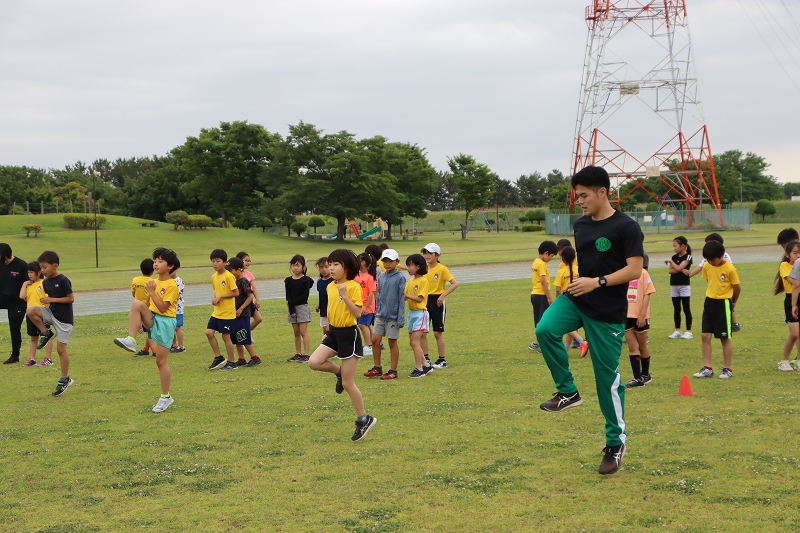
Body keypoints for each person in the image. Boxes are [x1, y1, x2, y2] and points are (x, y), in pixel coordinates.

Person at [535, 165, 643, 476]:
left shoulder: (627, 227)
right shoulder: (581, 226)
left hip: (607, 313)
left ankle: (615, 443)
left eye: (583, 195)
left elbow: (634, 269)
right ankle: (567, 391)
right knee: (545, 329)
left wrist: (598, 282)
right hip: (579, 299)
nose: (579, 201)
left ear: (603, 192)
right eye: (577, 196)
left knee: (606, 379)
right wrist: (583, 283)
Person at [307, 248, 376, 441]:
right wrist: (327, 332)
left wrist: (345, 295)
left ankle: (364, 419)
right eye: (329, 264)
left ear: (346, 266)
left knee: (348, 383)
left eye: (335, 264)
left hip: (349, 335)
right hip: (334, 333)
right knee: (314, 362)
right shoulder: (330, 286)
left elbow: (357, 314)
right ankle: (338, 371)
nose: (331, 268)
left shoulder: (353, 286)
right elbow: (331, 310)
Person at [113, 248, 180, 412]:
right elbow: (148, 304)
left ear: (170, 266)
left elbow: (163, 307)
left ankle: (166, 397)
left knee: (160, 361)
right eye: (155, 260)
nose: (156, 263)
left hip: (165, 321)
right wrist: (141, 322)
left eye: (160, 261)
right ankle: (131, 340)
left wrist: (151, 291)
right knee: (137, 304)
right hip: (154, 318)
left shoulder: (172, 285)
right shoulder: (154, 282)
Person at [27, 251, 75, 396]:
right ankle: (46, 332)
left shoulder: (63, 280)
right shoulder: (46, 282)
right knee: (30, 310)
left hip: (64, 320)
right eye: (41, 268)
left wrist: (52, 300)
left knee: (61, 350)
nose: (42, 271)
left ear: (55, 266)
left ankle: (64, 379)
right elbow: (48, 299)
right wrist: (47, 305)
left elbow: (71, 299)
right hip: (52, 314)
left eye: (44, 267)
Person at [693, 240, 740, 379]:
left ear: (721, 256)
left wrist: (733, 302)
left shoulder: (730, 269)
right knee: (705, 336)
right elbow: (710, 281)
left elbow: (737, 288)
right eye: (707, 259)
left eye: (712, 259)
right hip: (709, 303)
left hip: (724, 303)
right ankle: (707, 368)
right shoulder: (707, 266)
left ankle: (727, 369)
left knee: (724, 338)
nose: (710, 262)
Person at [364, 249, 406, 380]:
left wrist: (400, 318)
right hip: (381, 315)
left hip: (393, 316)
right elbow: (379, 296)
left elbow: (401, 298)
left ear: (397, 262)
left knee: (392, 343)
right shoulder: (381, 277)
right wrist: (377, 313)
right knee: (375, 340)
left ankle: (393, 371)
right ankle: (377, 368)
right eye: (385, 261)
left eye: (390, 261)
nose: (387, 264)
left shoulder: (400, 278)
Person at [686, 233, 739, 332]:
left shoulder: (724, 256)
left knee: (730, 307)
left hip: (725, 288)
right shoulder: (709, 257)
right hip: (714, 290)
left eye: (709, 243)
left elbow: (730, 271)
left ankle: (734, 323)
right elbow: (701, 266)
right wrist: (690, 275)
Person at [420, 243, 458, 369]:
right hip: (424, 301)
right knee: (422, 332)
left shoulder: (442, 269)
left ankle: (442, 360)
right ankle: (425, 358)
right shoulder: (423, 268)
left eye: (430, 253)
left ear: (437, 255)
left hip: (437, 301)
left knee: (437, 332)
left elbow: (454, 283)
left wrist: (443, 296)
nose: (427, 256)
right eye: (425, 253)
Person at [624, 253, 656, 387]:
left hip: (640, 315)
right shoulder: (623, 273)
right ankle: (637, 378)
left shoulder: (643, 273)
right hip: (626, 315)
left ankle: (646, 375)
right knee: (632, 347)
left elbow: (647, 293)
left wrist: (643, 314)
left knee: (642, 345)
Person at [206, 249, 240, 371]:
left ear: (225, 262)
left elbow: (235, 293)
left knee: (226, 337)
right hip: (217, 312)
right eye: (213, 261)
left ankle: (232, 362)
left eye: (218, 261)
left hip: (227, 313)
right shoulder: (213, 277)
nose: (215, 264)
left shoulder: (229, 276)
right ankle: (218, 357)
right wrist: (215, 297)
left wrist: (221, 297)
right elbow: (217, 291)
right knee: (209, 333)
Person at [553, 246, 588, 357]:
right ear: (574, 258)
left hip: (567, 298)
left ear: (562, 259)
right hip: (581, 296)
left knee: (566, 323)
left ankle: (581, 342)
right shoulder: (580, 269)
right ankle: (566, 350)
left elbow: (558, 289)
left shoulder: (561, 271)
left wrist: (557, 301)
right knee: (576, 323)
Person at [19, 261, 54, 367]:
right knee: (33, 337)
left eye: (31, 272)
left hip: (41, 313)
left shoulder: (43, 283)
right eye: (28, 272)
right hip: (30, 314)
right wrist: (25, 284)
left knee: (47, 335)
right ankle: (32, 358)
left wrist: (47, 312)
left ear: (39, 272)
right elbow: (21, 296)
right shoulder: (29, 285)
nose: (29, 275)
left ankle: (48, 358)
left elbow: (48, 299)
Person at [228, 257, 260, 367]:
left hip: (243, 314)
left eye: (231, 270)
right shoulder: (233, 281)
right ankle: (241, 359)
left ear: (239, 270)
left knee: (243, 336)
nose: (229, 272)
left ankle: (254, 357)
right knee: (236, 338)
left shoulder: (243, 282)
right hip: (234, 314)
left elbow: (250, 297)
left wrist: (241, 308)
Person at [0, 243, 28, 365]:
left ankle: (15, 355)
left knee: (14, 327)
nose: (3, 262)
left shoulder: (21, 265)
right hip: (2, 298)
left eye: (3, 259)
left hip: (17, 302)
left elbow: (29, 281)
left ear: (7, 255)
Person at [528, 240, 558, 353]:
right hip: (541, 294)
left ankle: (537, 342)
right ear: (546, 253)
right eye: (551, 256)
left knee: (540, 318)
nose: (551, 259)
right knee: (542, 320)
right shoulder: (541, 264)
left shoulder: (535, 262)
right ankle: (536, 343)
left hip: (535, 294)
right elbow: (543, 281)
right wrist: (549, 297)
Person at [405, 254, 431, 378]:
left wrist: (405, 295)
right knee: (412, 342)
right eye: (407, 265)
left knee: (415, 342)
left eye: (410, 265)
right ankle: (426, 365)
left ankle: (419, 368)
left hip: (420, 314)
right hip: (411, 314)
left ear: (418, 266)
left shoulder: (424, 281)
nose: (408, 268)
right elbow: (404, 296)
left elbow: (420, 299)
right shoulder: (410, 281)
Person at [775, 241, 800, 371]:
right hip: (791, 299)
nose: (798, 256)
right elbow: (793, 281)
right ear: (787, 255)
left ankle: (799, 361)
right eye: (795, 253)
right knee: (794, 333)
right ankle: (784, 361)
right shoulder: (784, 266)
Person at [285, 254, 314, 362]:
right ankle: (298, 353)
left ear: (303, 267)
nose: (295, 268)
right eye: (293, 265)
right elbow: (288, 296)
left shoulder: (306, 280)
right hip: (292, 308)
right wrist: (291, 309)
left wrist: (290, 302)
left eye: (298, 265)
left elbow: (304, 296)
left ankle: (306, 354)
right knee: (296, 332)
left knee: (303, 332)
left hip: (302, 307)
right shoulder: (288, 280)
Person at [665, 236, 693, 339]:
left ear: (683, 246)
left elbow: (677, 267)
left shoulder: (688, 257)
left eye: (675, 246)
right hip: (674, 285)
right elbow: (670, 271)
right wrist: (681, 269)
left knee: (686, 308)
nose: (674, 248)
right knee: (676, 309)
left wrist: (673, 264)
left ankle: (688, 331)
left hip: (684, 286)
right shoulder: (674, 257)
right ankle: (677, 330)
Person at [130, 258, 157, 357]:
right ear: (152, 271)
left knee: (147, 330)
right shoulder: (152, 281)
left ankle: (146, 349)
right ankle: (154, 350)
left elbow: (133, 293)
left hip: (137, 307)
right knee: (149, 330)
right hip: (148, 307)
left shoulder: (135, 280)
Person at [355, 253, 377, 357]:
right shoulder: (356, 275)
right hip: (358, 305)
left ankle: (368, 346)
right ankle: (373, 344)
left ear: (363, 262)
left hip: (368, 306)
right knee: (365, 325)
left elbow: (371, 293)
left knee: (362, 325)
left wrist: (367, 307)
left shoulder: (370, 277)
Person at [236, 252, 263, 331]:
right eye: (246, 260)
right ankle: (244, 336)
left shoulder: (249, 274)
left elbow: (253, 287)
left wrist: (257, 299)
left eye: (249, 261)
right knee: (241, 321)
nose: (248, 262)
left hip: (249, 300)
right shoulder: (236, 274)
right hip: (241, 302)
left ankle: (248, 332)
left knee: (258, 319)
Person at [315, 257, 334, 337]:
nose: (324, 269)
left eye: (326, 267)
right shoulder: (320, 281)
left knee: (330, 330)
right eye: (321, 267)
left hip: (332, 311)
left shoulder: (334, 281)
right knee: (325, 332)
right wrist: (319, 305)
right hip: (323, 311)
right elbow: (321, 295)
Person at [170, 268, 185, 353]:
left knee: (177, 327)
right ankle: (174, 344)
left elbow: (177, 294)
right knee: (171, 327)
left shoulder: (179, 281)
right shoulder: (168, 281)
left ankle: (181, 346)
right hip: (170, 308)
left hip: (178, 308)